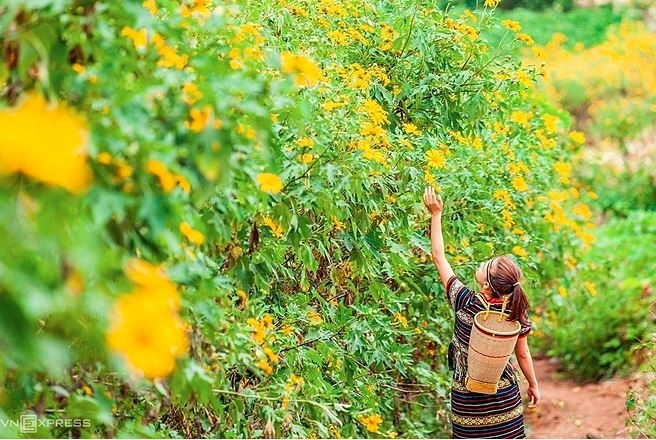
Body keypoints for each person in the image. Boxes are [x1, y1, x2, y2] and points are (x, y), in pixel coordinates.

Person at [423, 186, 540, 439]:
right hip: (504, 399)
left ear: (486, 285)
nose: (482, 262)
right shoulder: (516, 312)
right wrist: (533, 383)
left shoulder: (465, 301)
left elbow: (438, 256)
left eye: (486, 266)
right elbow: (523, 353)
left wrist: (436, 214)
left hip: (467, 402)